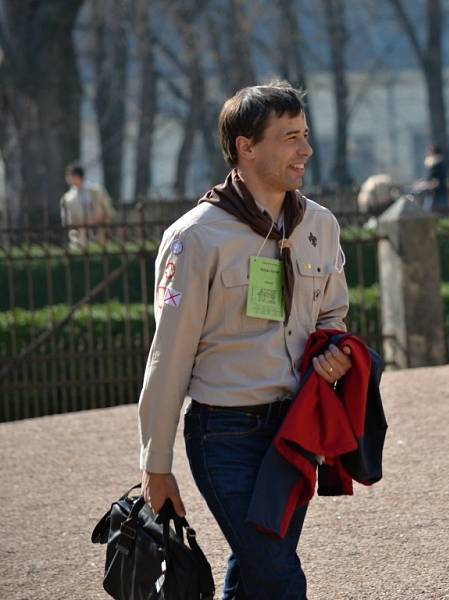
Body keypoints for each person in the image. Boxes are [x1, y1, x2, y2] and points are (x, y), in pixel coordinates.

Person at [138, 80, 352, 599]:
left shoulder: (319, 224)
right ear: (246, 147)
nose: (306, 150)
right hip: (224, 435)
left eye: (304, 134)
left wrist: (334, 353)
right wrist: (155, 465)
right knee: (278, 575)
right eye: (289, 137)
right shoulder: (194, 238)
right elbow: (168, 357)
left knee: (255, 571)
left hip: (296, 429)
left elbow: (333, 314)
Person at [60, 163, 115, 248]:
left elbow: (109, 211)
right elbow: (67, 222)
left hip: (100, 236)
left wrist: (101, 219)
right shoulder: (67, 198)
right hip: (79, 240)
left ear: (76, 176)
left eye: (69, 176)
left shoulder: (97, 191)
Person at [415, 144, 448, 212]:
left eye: (430, 152)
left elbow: (436, 182)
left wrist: (424, 185)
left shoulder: (438, 165)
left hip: (437, 195)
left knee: (436, 214)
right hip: (434, 195)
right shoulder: (434, 165)